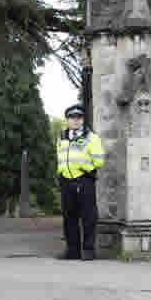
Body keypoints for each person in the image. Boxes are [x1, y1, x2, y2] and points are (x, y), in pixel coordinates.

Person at [56, 104, 104, 261]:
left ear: (82, 120)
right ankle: (72, 250)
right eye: (72, 118)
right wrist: (61, 173)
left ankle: (89, 250)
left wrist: (84, 167)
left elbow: (99, 161)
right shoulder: (62, 136)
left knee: (88, 217)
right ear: (67, 120)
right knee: (69, 217)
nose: (75, 121)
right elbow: (60, 156)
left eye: (78, 118)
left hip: (84, 180)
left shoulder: (91, 137)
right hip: (66, 181)